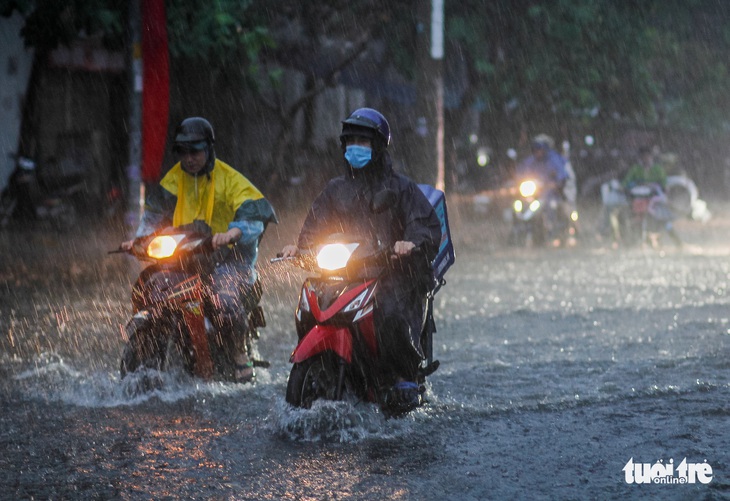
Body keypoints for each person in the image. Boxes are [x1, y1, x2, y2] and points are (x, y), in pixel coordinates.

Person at [279, 107, 441, 408]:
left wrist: (409, 243)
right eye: (351, 142)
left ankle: (400, 376)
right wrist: (300, 249)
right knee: (309, 304)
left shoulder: (400, 188)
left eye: (363, 142)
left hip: (389, 272)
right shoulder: (334, 189)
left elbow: (424, 224)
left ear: (378, 147)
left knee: (390, 311)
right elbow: (314, 227)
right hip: (343, 273)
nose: (356, 148)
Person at [121, 117, 278, 382]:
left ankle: (240, 357)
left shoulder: (230, 180)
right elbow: (152, 216)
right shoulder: (173, 179)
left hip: (228, 260)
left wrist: (235, 232)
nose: (189, 158)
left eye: (195, 151)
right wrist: (140, 240)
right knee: (152, 287)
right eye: (183, 152)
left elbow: (254, 213)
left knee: (224, 300)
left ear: (209, 149)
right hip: (185, 259)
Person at [515, 134, 571, 243]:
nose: (537, 151)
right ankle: (517, 229)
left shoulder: (554, 159)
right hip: (533, 195)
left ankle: (555, 229)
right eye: (535, 149)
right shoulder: (530, 161)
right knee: (517, 205)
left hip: (551, 194)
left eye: (540, 149)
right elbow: (520, 173)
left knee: (555, 206)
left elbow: (562, 176)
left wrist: (556, 184)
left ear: (545, 149)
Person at [622, 145, 681, 247]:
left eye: (647, 156)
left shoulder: (657, 169)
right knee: (636, 220)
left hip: (655, 200)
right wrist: (637, 184)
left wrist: (661, 190)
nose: (646, 159)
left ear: (651, 157)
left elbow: (664, 184)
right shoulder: (636, 169)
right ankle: (634, 243)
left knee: (664, 221)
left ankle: (678, 243)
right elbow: (626, 183)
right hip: (640, 200)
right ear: (640, 158)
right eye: (643, 157)